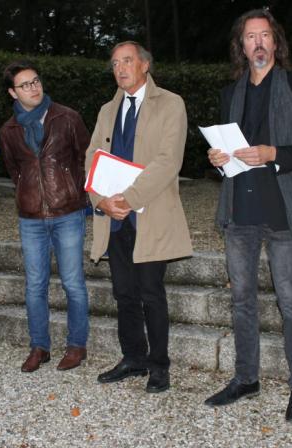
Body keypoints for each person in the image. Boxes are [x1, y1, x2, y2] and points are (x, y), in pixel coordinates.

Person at [204, 9, 292, 422]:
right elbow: (225, 154)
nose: (257, 43)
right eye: (250, 37)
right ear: (241, 46)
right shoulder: (229, 93)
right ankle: (246, 378)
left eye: (264, 36)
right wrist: (217, 159)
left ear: (276, 43)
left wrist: (273, 154)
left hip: (282, 209)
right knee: (241, 301)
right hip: (240, 210)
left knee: (290, 302)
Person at [86, 41, 192, 393]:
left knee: (150, 293)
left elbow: (168, 161)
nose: (120, 68)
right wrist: (101, 201)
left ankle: (159, 366)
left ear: (145, 64)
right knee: (124, 293)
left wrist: (128, 199)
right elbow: (92, 157)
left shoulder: (171, 104)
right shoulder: (106, 110)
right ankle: (133, 357)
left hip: (149, 215)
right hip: (114, 218)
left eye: (127, 61)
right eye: (115, 63)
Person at [0, 61, 92, 372]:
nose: (34, 87)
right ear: (13, 92)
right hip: (30, 217)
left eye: (36, 80)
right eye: (25, 84)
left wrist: (74, 192)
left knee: (73, 283)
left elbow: (85, 158)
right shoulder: (9, 130)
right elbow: (16, 171)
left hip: (68, 212)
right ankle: (39, 346)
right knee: (34, 285)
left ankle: (77, 345)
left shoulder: (67, 117)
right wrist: (30, 193)